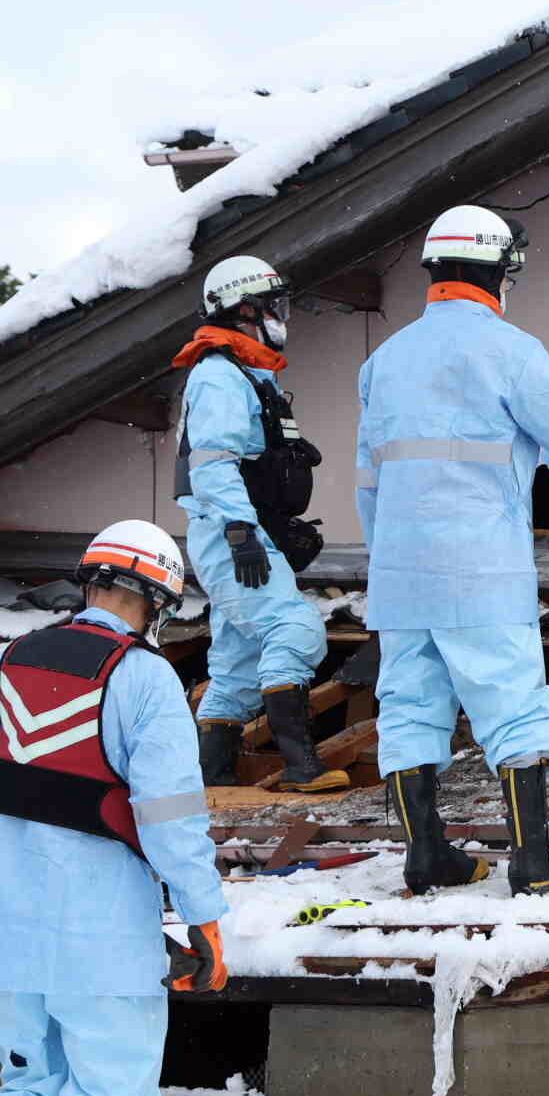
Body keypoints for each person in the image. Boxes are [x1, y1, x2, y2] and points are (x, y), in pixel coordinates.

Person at [356, 205, 549, 895]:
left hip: (401, 572)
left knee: (408, 707)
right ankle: (531, 861)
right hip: (481, 567)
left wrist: (390, 562)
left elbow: (369, 481)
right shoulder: (512, 351)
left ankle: (425, 855)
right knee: (512, 701)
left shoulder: (383, 362)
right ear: (499, 271)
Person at [0, 521, 230, 1096]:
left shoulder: (8, 661)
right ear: (156, 598)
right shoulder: (145, 681)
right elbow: (172, 819)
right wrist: (202, 916)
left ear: (91, 580)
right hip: (103, 937)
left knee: (26, 1093)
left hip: (9, 927)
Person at [173, 254, 344, 793]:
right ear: (243, 310)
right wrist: (241, 532)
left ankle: (214, 775)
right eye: (274, 307)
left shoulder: (246, 375)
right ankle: (301, 766)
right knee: (295, 629)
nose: (281, 317)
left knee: (238, 658)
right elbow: (214, 464)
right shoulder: (222, 376)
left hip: (239, 529)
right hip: (231, 532)